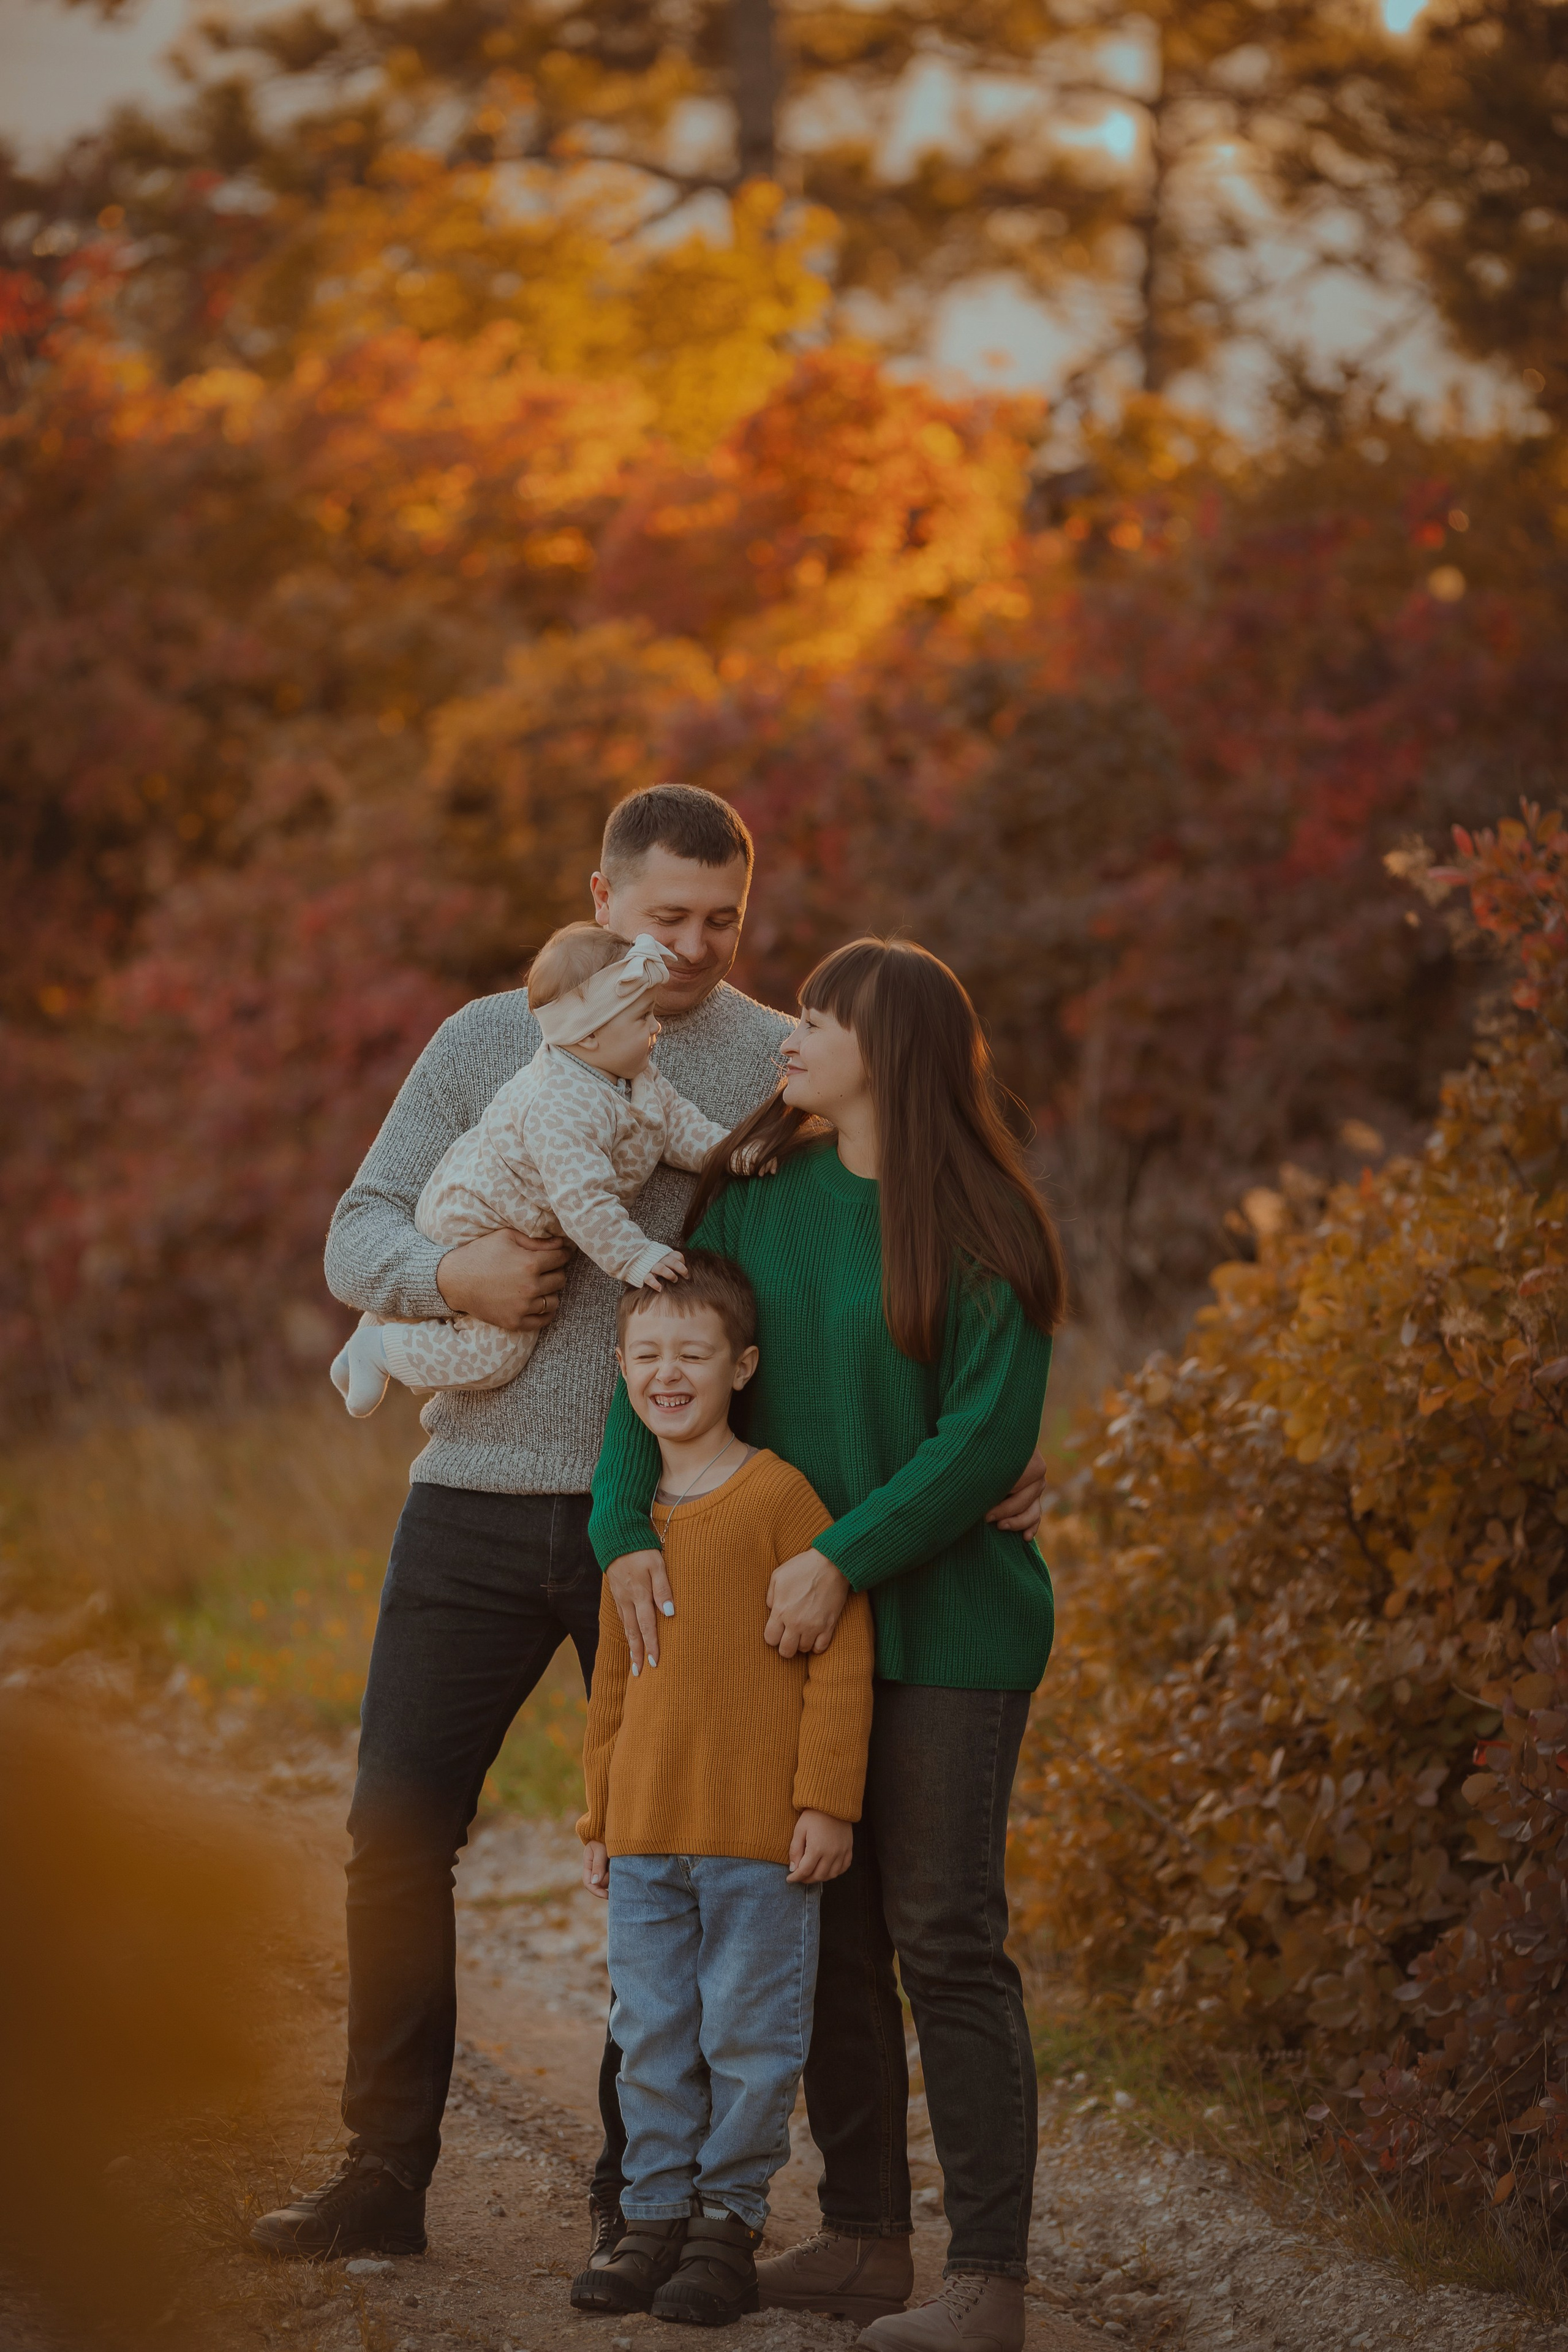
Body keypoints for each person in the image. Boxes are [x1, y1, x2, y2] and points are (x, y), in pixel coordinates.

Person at [248, 785, 1049, 2265]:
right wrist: (451, 1279)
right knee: (396, 1830)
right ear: (600, 897)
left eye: (717, 920)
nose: (686, 946)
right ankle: (380, 2171)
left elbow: (856, 1255)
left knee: (698, 1849)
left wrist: (975, 1439)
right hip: (476, 1496)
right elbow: (357, 1226)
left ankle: (650, 2201)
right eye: (661, 915)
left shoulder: (774, 1057)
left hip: (687, 1523)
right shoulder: (491, 1037)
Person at [591, 938, 1065, 2352]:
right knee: (830, 1926)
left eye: (817, 1014)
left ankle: (984, 2281)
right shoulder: (751, 1199)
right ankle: (862, 2232)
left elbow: (984, 1436)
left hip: (947, 1624)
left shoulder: (987, 1223)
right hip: (783, 1633)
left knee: (943, 1934)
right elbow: (653, 1357)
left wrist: (840, 1554)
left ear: (894, 1047)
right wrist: (622, 1527)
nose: (788, 1033)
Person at [571, 1254, 874, 2327]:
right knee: (651, 2032)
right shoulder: (631, 1522)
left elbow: (840, 1651)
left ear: (740, 1366)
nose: (668, 1373)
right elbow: (612, 1682)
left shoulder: (779, 1494)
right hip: (650, 1831)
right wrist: (601, 1814)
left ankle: (724, 2227)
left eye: (691, 1354)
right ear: (620, 1370)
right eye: (647, 1355)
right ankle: (649, 2220)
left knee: (749, 2041)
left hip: (757, 1839)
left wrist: (827, 1799)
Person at [330, 924, 735, 1418]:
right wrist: (635, 1256)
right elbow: (582, 1200)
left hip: (482, 1195)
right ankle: (384, 1351)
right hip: (477, 1218)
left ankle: (375, 1327)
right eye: (642, 1016)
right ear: (589, 1034)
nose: (657, 1027)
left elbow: (675, 1123)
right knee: (496, 1354)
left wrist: (731, 1152)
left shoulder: (629, 1074)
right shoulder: (561, 1105)